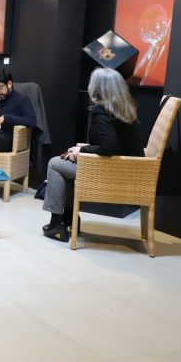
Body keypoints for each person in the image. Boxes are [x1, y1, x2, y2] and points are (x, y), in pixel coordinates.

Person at [41, 67, 144, 242]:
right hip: (128, 168)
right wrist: (81, 151)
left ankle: (57, 222)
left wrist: (82, 151)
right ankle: (69, 219)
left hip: (113, 171)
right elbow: (115, 145)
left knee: (55, 164)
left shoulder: (101, 111)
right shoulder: (125, 110)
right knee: (65, 165)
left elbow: (108, 146)